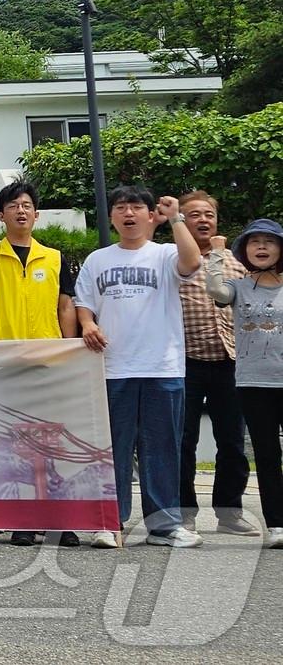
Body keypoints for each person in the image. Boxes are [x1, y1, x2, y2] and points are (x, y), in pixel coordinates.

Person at [0, 180, 80, 547]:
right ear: (3, 215)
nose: (21, 211)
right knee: (14, 442)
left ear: (36, 214)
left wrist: (69, 350)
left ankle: (61, 521)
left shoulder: (54, 258)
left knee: (52, 442)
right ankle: (23, 520)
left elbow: (65, 306)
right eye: (13, 206)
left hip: (48, 360)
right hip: (4, 361)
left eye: (26, 205)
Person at [74, 186, 203, 549]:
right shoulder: (97, 259)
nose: (128, 214)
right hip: (113, 367)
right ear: (112, 217)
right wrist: (87, 324)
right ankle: (109, 522)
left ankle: (164, 526)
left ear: (150, 216)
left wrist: (176, 217)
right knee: (112, 449)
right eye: (121, 207)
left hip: (162, 366)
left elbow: (192, 263)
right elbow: (84, 302)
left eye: (136, 207)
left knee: (161, 447)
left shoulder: (164, 254)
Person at [177, 191, 257, 536]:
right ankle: (183, 513)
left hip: (231, 361)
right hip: (184, 361)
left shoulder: (238, 262)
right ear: (181, 221)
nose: (203, 220)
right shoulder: (172, 259)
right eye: (194, 215)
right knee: (183, 441)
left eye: (208, 214)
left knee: (232, 442)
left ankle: (229, 513)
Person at [207, 220, 283, 549]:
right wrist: (215, 254)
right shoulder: (238, 287)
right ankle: (278, 524)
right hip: (253, 384)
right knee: (267, 456)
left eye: (269, 241)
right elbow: (215, 291)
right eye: (255, 243)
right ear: (246, 251)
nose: (262, 247)